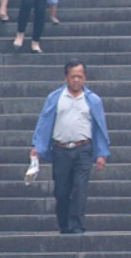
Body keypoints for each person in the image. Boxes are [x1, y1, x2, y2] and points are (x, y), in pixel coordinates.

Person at [30, 62, 110, 236]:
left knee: (80, 189)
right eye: (72, 76)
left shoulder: (93, 100)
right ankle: (64, 224)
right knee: (61, 191)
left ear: (85, 78)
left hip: (83, 149)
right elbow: (44, 122)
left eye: (79, 76)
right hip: (61, 149)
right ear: (66, 77)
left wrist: (101, 153)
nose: (76, 80)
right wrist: (38, 146)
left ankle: (77, 225)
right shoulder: (55, 98)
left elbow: (100, 127)